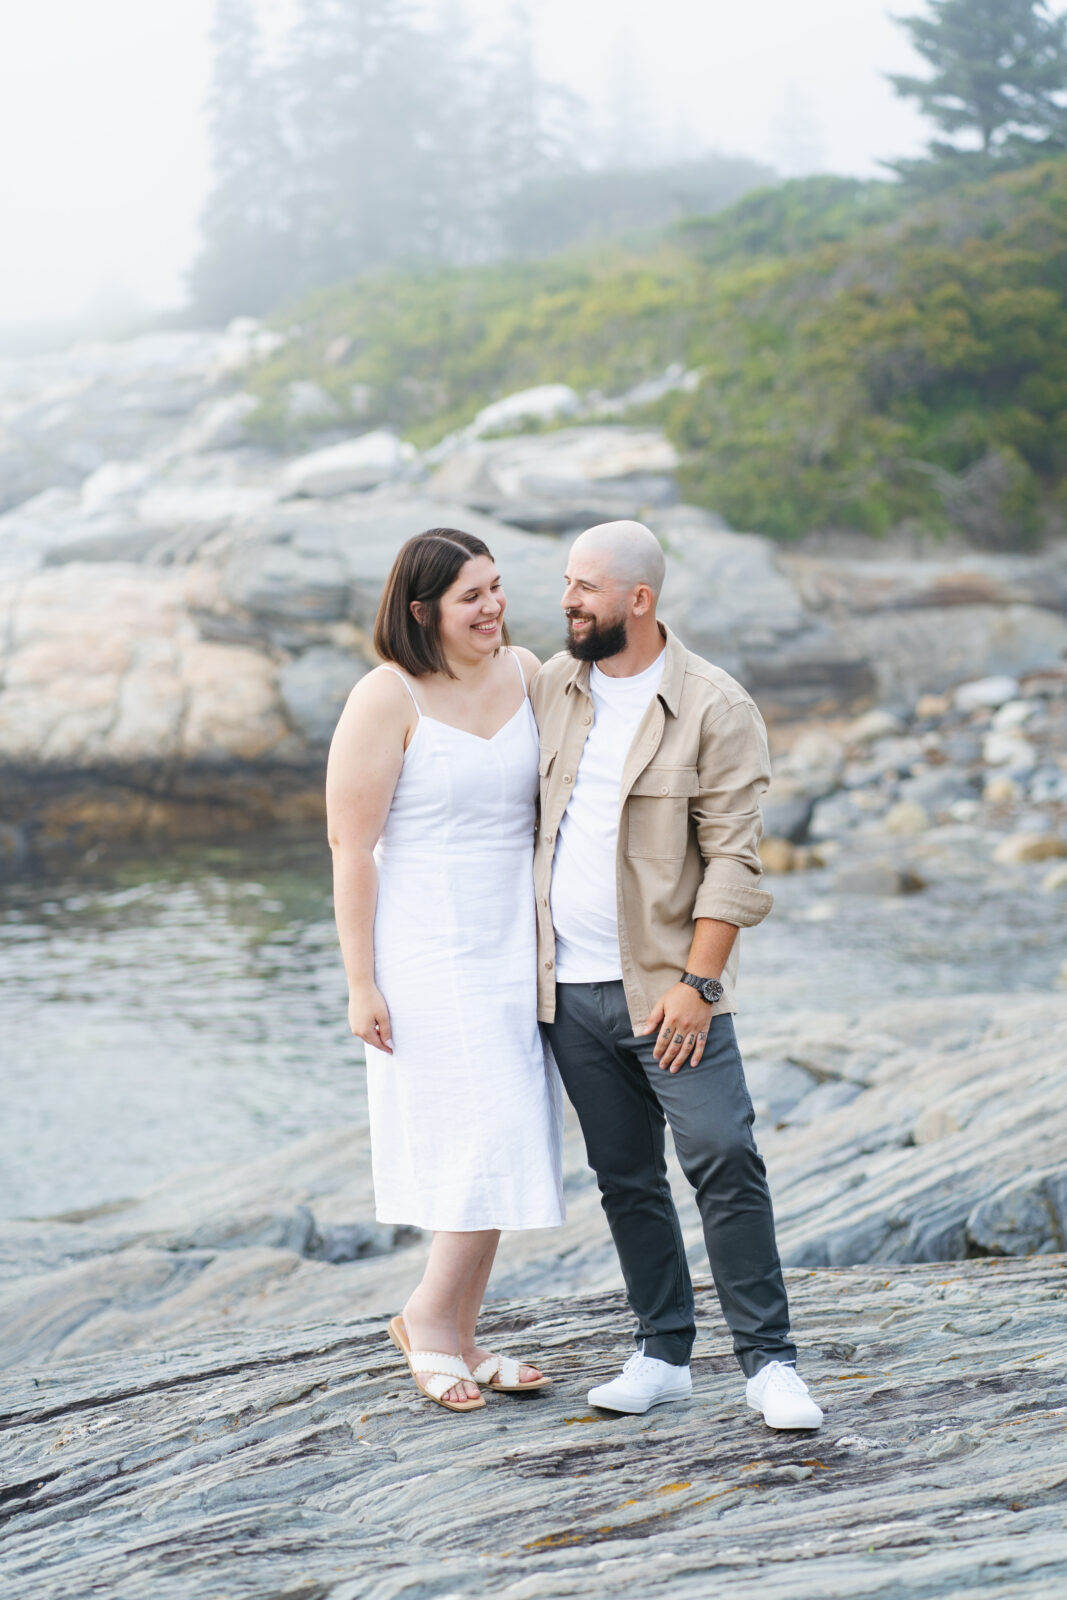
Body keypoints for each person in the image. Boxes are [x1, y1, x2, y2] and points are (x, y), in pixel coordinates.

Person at [532, 519, 823, 1430]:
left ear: (638, 600)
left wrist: (697, 988)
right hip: (567, 993)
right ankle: (662, 1353)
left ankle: (767, 1365)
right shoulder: (551, 685)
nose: (567, 600)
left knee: (724, 1158)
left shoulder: (714, 707)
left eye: (584, 586)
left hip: (668, 989)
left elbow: (734, 863)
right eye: (567, 584)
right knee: (624, 1176)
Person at [326, 527, 564, 1413]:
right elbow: (351, 847)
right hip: (427, 948)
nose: (493, 607)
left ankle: (460, 1334)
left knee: (504, 1137)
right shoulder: (385, 697)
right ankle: (427, 1322)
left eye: (497, 588)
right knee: (484, 1132)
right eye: (472, 596)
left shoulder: (528, 672)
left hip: (517, 942)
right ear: (422, 610)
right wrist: (361, 982)